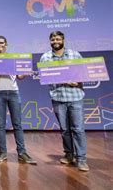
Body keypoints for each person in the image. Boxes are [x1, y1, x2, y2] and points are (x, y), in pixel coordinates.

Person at [0, 36, 36, 164]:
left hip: (13, 93)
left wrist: (26, 72)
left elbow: (20, 77)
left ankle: (22, 152)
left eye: (2, 43)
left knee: (17, 124)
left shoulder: (13, 58)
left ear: (6, 44)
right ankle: (2, 152)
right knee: (1, 125)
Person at [40, 31, 89, 172]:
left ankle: (81, 159)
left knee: (78, 129)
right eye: (53, 39)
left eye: (58, 38)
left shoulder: (75, 55)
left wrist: (77, 82)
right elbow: (45, 77)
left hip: (75, 97)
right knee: (65, 130)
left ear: (63, 40)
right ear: (50, 41)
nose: (55, 41)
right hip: (58, 98)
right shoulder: (45, 57)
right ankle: (69, 155)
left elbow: (84, 74)